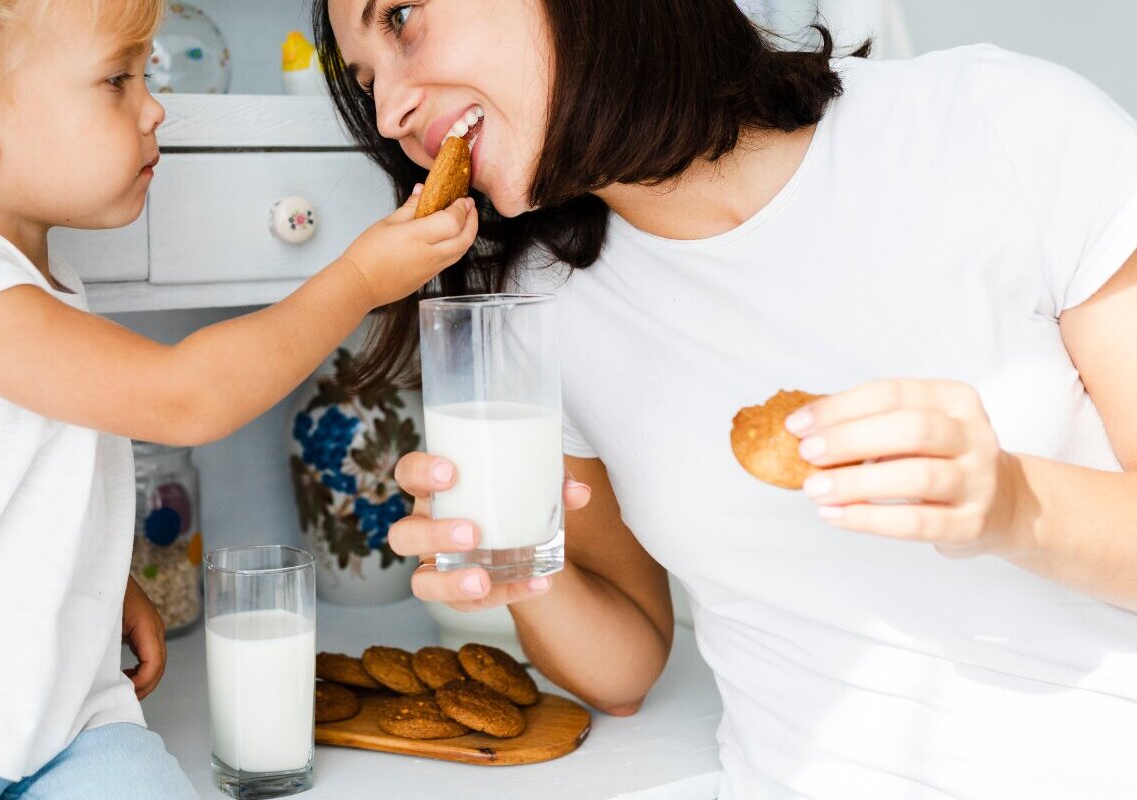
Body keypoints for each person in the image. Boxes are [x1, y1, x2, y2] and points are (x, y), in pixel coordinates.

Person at [316, 0, 1137, 797]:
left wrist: (1014, 503)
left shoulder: (1001, 122)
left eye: (400, 17)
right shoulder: (545, 299)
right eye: (364, 76)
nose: (387, 110)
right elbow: (626, 665)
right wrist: (513, 565)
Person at [0, 0, 477, 797]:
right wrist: (359, 280)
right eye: (117, 79)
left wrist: (93, 582)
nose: (154, 104)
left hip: (58, 724)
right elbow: (183, 397)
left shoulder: (46, 290)